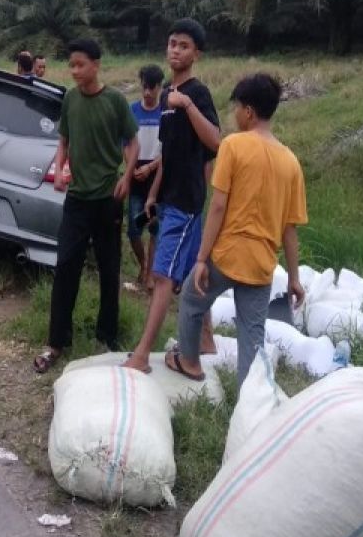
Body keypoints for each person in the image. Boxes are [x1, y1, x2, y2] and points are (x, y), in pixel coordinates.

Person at [172, 74, 308, 387]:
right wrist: (294, 279)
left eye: (237, 108)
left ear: (248, 111)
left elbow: (217, 207)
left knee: (192, 301)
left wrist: (202, 259)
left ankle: (189, 362)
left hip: (227, 255)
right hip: (262, 265)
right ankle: (250, 401)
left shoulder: (234, 145)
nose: (234, 114)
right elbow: (290, 229)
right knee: (252, 334)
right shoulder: (291, 162)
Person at [33, 39, 138, 374]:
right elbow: (63, 140)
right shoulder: (70, 100)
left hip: (108, 199)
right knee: (66, 267)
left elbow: (132, 141)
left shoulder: (116, 101)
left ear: (96, 64)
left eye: (80, 65)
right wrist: (60, 169)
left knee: (109, 269)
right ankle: (55, 342)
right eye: (72, 65)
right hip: (77, 200)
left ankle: (107, 337)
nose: (75, 71)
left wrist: (129, 176)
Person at [124, 19, 222, 374]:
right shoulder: (166, 93)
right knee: (195, 268)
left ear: (196, 53)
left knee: (163, 276)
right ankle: (207, 338)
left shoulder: (196, 93)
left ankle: (141, 355)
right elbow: (167, 151)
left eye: (183, 45)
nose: (175, 50)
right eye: (171, 43)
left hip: (186, 202)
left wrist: (187, 106)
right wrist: (152, 193)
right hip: (169, 198)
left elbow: (215, 142)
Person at [128, 65, 165, 289]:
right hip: (135, 173)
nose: (148, 92)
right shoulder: (132, 110)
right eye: (145, 87)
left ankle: (150, 274)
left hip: (157, 174)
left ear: (160, 87)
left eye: (152, 88)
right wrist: (131, 167)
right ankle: (143, 264)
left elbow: (168, 150)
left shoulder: (165, 113)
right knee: (134, 227)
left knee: (154, 227)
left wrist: (150, 168)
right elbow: (126, 142)